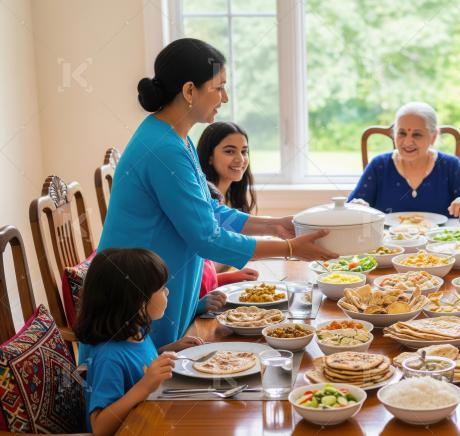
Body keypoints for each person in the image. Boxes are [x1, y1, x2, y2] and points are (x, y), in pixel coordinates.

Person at [99, 38, 337, 349]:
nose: (224, 97)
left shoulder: (174, 138)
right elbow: (205, 237)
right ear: (188, 91)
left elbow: (208, 211)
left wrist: (273, 225)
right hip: (134, 307)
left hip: (159, 300)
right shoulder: (164, 149)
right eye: (218, 87)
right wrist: (290, 248)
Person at [75, 249, 191, 435]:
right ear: (138, 301)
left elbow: (138, 364)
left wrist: (167, 350)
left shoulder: (137, 335)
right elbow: (100, 427)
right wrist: (145, 386)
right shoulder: (108, 358)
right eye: (161, 288)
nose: (167, 291)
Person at [348, 102, 460, 222]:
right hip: (388, 249)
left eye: (417, 134)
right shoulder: (379, 166)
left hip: (441, 251)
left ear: (433, 136)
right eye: (402, 133)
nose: (408, 142)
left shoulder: (449, 166)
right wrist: (355, 208)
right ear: (394, 134)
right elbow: (349, 209)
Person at [195, 121, 261, 303]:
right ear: (209, 156)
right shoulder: (202, 198)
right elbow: (204, 267)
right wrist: (229, 276)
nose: (240, 159)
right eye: (230, 151)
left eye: (244, 151)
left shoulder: (231, 197)